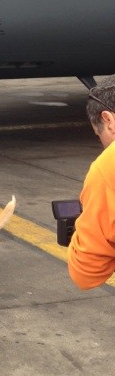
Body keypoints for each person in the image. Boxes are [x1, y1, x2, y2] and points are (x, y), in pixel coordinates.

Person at [68, 76, 115, 289]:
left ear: (108, 120)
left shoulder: (108, 166)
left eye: (100, 136)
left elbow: (86, 273)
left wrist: (81, 230)